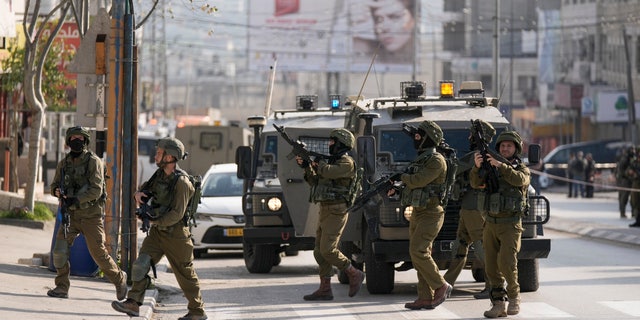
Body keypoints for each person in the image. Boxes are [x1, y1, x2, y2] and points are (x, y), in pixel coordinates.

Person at [111, 137, 207, 320]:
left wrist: (153, 220)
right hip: (157, 234)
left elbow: (176, 214)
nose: (155, 155)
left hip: (176, 236)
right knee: (140, 265)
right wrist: (139, 195)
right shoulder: (159, 175)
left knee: (186, 275)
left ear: (170, 157)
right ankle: (133, 303)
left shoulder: (182, 183)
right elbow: (146, 191)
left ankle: (197, 311)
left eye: (159, 152)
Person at [47, 126, 128, 301]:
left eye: (80, 138)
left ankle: (119, 279)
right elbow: (53, 186)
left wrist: (76, 199)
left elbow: (96, 190)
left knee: (98, 253)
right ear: (68, 141)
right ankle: (62, 287)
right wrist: (58, 193)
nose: (77, 141)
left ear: (85, 141)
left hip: (91, 216)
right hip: (71, 216)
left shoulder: (94, 162)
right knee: (59, 252)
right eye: (74, 138)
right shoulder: (64, 164)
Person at [388, 120, 452, 310]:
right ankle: (425, 297)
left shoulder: (436, 160)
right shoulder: (421, 159)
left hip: (431, 213)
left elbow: (418, 180)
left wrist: (401, 177)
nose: (415, 140)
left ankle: (441, 285)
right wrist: (397, 189)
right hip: (418, 211)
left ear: (428, 139)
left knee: (419, 251)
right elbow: (413, 186)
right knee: (419, 254)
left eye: (418, 136)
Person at [295, 128, 365, 301]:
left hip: (337, 209)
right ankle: (325, 288)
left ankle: (354, 272)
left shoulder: (346, 163)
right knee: (319, 251)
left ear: (342, 144)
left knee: (328, 249)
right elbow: (315, 182)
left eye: (333, 142)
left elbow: (327, 172)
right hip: (325, 208)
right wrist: (306, 167)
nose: (330, 145)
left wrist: (316, 163)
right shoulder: (331, 162)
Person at [470, 130, 530, 318]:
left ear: (516, 149)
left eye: (509, 146)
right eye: (502, 146)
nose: (505, 149)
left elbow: (520, 180)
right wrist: (477, 167)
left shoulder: (521, 168)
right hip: (491, 223)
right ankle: (498, 303)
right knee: (490, 266)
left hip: (510, 224)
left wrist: (501, 166)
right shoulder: (491, 168)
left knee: (506, 263)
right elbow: (475, 183)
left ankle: (514, 298)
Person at [444, 120, 496, 299]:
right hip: (467, 206)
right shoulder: (478, 155)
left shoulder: (478, 154)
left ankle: (493, 285)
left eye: (471, 134)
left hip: (475, 207)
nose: (468, 137)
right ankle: (446, 284)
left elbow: (456, 167)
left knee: (482, 247)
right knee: (460, 246)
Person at [616, 147, 634, 218]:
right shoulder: (625, 159)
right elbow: (621, 171)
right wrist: (628, 174)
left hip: (630, 180)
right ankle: (622, 212)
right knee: (624, 197)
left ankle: (634, 213)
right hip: (624, 180)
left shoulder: (631, 159)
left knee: (633, 198)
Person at [626, 146, 640, 227]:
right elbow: (627, 171)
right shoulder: (634, 162)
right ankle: (637, 220)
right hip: (636, 184)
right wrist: (630, 172)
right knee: (635, 202)